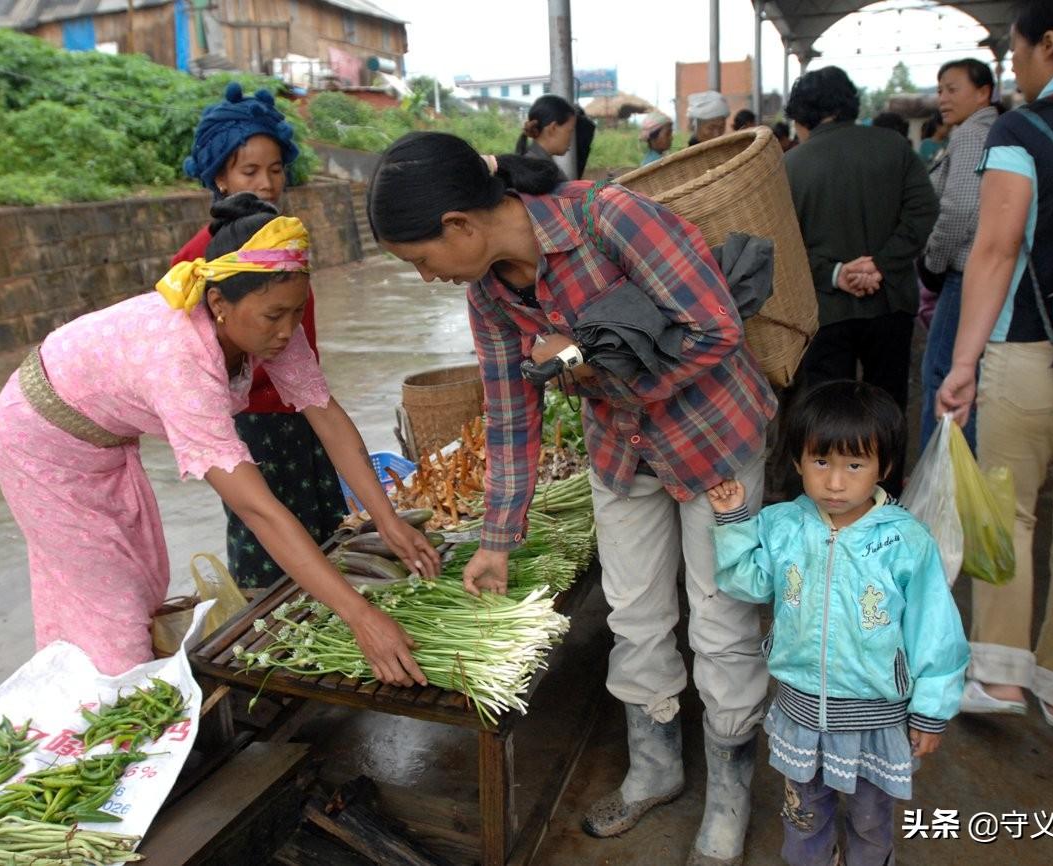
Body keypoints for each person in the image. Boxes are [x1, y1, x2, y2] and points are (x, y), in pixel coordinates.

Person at [367, 132, 777, 866]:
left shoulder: (610, 219)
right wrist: (498, 538)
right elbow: (509, 411)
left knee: (722, 624)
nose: (427, 276)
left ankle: (730, 789)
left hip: (714, 444)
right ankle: (655, 769)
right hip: (620, 457)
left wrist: (595, 368)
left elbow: (715, 327)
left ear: (460, 226)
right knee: (636, 618)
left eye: (420, 260)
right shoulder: (489, 293)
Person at [0, 194, 441, 681]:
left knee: (140, 577)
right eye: (274, 316)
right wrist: (361, 616)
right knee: (110, 601)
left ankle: (98, 691)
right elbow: (256, 508)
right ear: (220, 303)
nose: (288, 331)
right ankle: (118, 723)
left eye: (296, 311)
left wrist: (388, 521)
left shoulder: (267, 327)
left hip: (105, 439)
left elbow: (325, 414)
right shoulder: (182, 360)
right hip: (38, 439)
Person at [937, 0, 1053, 732]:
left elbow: (994, 248)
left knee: (1005, 517)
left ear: (1047, 42)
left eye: (1013, 50)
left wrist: (961, 361)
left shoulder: (1020, 129)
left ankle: (1001, 680)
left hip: (1031, 354)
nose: (1012, 64)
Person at [711, 380, 968, 866]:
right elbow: (748, 583)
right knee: (803, 815)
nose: (834, 482)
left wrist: (932, 709)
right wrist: (733, 522)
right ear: (796, 462)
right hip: (802, 714)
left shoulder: (905, 541)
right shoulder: (783, 525)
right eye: (820, 462)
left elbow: (936, 631)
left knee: (871, 821)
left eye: (854, 465)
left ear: (884, 467)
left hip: (875, 718)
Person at [175, 82, 347, 588]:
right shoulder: (196, 261)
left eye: (275, 170)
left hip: (302, 407)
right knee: (263, 527)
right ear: (220, 177)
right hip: (247, 420)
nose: (267, 183)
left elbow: (302, 345)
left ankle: (328, 606)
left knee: (325, 521)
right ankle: (267, 626)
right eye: (250, 171)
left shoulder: (288, 241)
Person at [783, 66, 939, 495]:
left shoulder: (793, 163)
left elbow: (784, 246)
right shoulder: (894, 146)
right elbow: (924, 212)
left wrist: (836, 273)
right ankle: (886, 495)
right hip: (890, 303)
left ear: (804, 114)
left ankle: (831, 499)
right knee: (887, 402)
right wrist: (882, 265)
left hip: (825, 310)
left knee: (829, 408)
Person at [918, 59, 1000, 453]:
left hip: (962, 276)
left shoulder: (970, 135)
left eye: (952, 89)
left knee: (944, 378)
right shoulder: (989, 131)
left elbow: (961, 208)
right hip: (977, 276)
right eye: (940, 90)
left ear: (983, 92)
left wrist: (933, 262)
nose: (943, 99)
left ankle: (943, 483)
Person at [516, 94, 577, 179]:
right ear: (553, 128)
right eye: (569, 131)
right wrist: (599, 187)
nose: (571, 139)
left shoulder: (531, 160)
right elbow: (570, 192)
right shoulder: (541, 169)